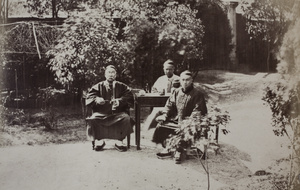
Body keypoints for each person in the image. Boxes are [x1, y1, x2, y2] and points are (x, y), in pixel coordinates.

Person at [153, 70, 207, 164]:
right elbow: (169, 105)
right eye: (183, 80)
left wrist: (189, 121)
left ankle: (179, 151)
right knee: (161, 125)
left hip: (190, 121)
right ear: (180, 81)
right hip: (176, 119)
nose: (185, 82)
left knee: (184, 129)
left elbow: (198, 110)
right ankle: (168, 148)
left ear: (191, 81)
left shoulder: (198, 94)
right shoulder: (176, 92)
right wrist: (165, 115)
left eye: (187, 80)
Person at [85, 65, 134, 152]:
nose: (111, 74)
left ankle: (119, 141)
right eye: (109, 72)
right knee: (93, 119)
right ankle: (100, 141)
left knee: (126, 118)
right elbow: (89, 97)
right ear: (105, 74)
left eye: (113, 72)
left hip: (117, 114)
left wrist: (119, 101)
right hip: (102, 113)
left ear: (116, 75)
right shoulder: (98, 86)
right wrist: (97, 99)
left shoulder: (122, 86)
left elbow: (129, 96)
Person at [143, 60, 180, 130]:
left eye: (170, 69)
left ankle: (148, 128)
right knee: (155, 111)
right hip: (161, 103)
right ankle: (147, 130)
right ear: (163, 69)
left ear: (173, 69)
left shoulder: (178, 79)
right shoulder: (161, 79)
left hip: (174, 105)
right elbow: (153, 90)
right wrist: (158, 92)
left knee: (156, 111)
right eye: (166, 69)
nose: (168, 71)